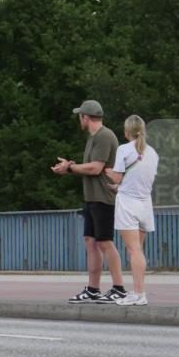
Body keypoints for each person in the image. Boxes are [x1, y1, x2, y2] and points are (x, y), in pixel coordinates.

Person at [52, 99, 127, 303]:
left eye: (80, 116)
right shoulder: (93, 137)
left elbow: (95, 168)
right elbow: (90, 166)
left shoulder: (104, 136)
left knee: (105, 242)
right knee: (91, 241)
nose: (79, 119)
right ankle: (93, 289)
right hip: (92, 197)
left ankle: (119, 288)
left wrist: (69, 168)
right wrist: (71, 166)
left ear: (86, 117)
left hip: (104, 197)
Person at [105, 115, 159, 306]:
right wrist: (121, 185)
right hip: (146, 204)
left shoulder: (124, 149)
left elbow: (117, 178)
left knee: (133, 250)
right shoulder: (153, 153)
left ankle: (138, 293)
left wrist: (108, 172)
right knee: (138, 251)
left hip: (128, 204)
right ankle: (139, 292)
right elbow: (140, 179)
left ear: (127, 132)